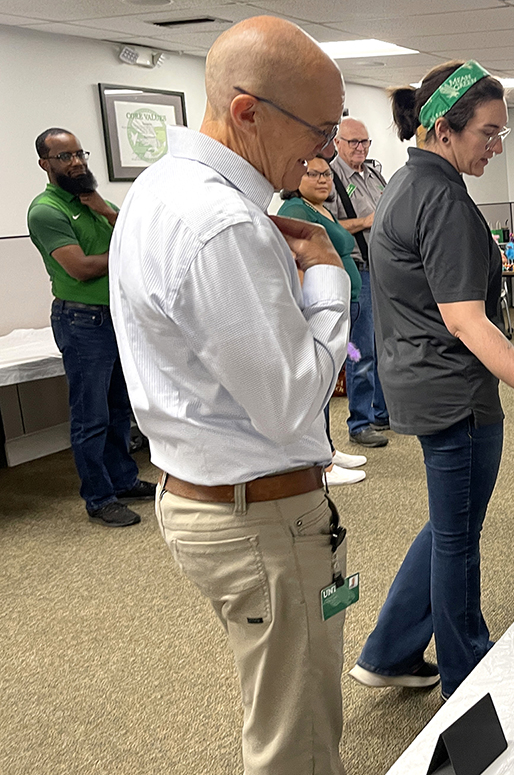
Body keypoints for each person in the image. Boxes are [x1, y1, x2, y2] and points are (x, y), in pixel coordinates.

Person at [108, 17, 352, 775]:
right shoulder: (219, 223)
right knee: (297, 742)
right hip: (261, 519)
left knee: (288, 707)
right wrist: (327, 276)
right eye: (321, 127)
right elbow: (288, 401)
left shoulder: (166, 190)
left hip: (228, 499)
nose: (327, 149)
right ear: (247, 111)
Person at [347, 60, 514, 701]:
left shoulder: (404, 188)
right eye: (488, 133)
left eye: (501, 134)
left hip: (421, 382)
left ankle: (389, 651)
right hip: (454, 394)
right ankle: (467, 674)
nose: (495, 145)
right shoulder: (443, 202)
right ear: (443, 128)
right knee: (459, 538)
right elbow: (470, 322)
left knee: (447, 522)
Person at [26, 128, 155, 527]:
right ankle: (99, 498)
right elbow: (80, 268)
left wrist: (104, 210)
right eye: (64, 156)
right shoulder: (47, 210)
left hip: (116, 317)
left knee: (119, 410)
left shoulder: (93, 202)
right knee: (91, 416)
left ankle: (124, 479)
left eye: (79, 153)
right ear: (45, 163)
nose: (77, 161)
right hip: (82, 321)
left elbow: (139, 238)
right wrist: (122, 252)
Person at [278, 156, 368, 486]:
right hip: (319, 308)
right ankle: (319, 463)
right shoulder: (295, 211)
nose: (322, 179)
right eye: (313, 174)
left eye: (327, 174)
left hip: (346, 302)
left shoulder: (323, 210)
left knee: (331, 382)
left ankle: (327, 450)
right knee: (319, 381)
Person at [330, 117, 391, 448]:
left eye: (365, 142)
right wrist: (367, 221)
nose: (360, 148)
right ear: (338, 143)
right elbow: (329, 225)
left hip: (384, 269)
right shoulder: (331, 178)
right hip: (357, 270)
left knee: (385, 346)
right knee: (361, 350)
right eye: (353, 142)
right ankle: (360, 421)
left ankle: (383, 411)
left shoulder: (374, 174)